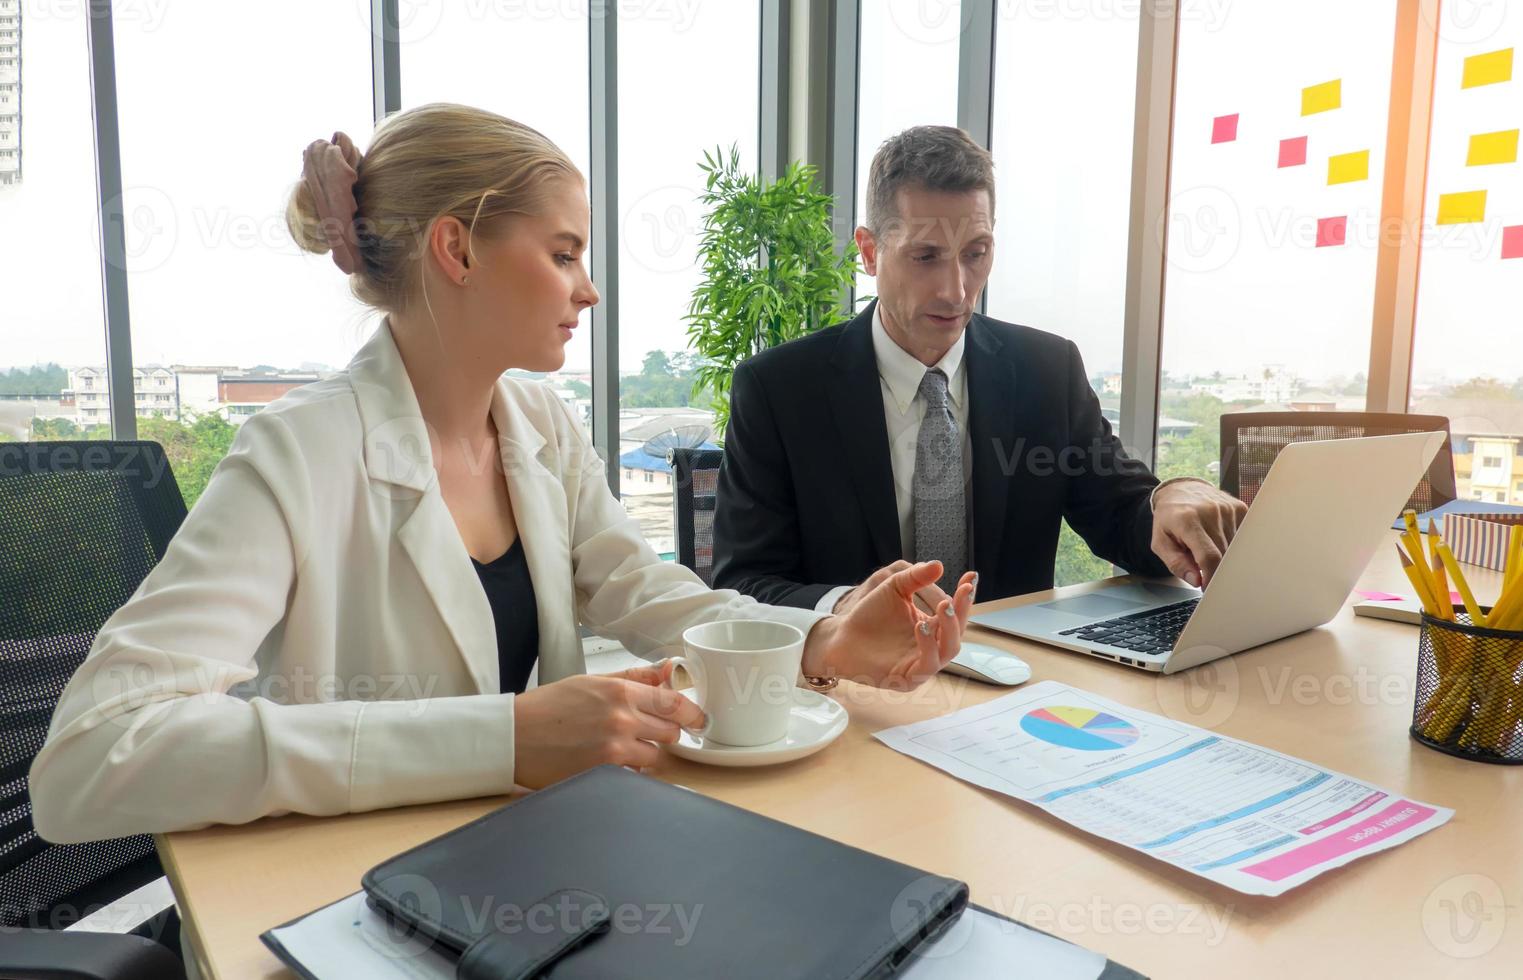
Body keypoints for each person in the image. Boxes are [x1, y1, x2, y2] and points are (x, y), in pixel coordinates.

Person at [28, 105, 976, 845]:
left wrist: (817, 641)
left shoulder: (538, 425)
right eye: (564, 253)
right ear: (457, 248)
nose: (588, 288)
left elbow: (642, 590)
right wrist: (505, 738)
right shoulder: (297, 454)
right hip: (347, 888)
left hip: (530, 858)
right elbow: (88, 758)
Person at [712, 125, 1246, 615]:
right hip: (856, 686)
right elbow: (744, 581)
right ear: (870, 252)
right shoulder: (779, 389)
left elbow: (1122, 516)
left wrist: (1170, 498)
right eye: (926, 257)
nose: (956, 290)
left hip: (1017, 681)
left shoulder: (1046, 371)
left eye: (976, 253)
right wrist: (848, 606)